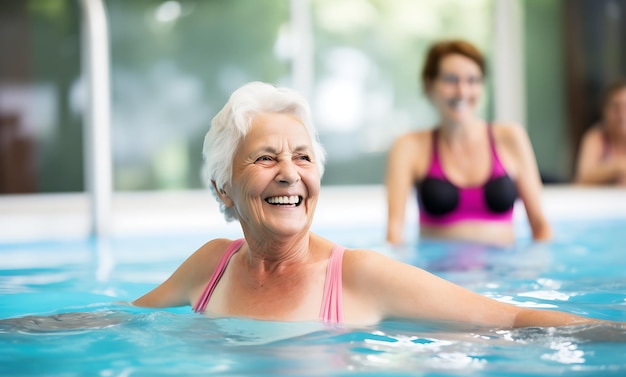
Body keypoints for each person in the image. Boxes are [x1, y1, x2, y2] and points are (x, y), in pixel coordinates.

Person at [132, 81, 608, 330]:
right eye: (265, 158)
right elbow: (119, 319)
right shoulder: (211, 265)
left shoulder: (358, 275)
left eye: (303, 157)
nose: (289, 173)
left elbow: (509, 319)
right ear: (223, 188)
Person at [385, 40, 552, 246]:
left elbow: (540, 226)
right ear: (429, 85)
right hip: (435, 274)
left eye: (472, 80)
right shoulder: (409, 146)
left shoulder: (510, 138)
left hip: (506, 271)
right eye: (450, 80)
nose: (462, 92)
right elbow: (394, 234)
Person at [575, 79, 626, 186]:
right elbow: (582, 178)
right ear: (604, 110)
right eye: (616, 107)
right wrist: (619, 167)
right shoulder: (596, 137)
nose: (621, 114)